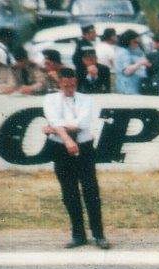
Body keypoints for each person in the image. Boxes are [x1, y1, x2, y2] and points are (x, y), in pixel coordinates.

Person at [42, 68, 110, 250]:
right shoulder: (50, 100)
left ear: (76, 83)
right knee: (69, 192)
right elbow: (54, 119)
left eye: (72, 85)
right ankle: (78, 235)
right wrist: (65, 137)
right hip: (60, 149)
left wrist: (54, 128)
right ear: (60, 83)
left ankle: (98, 235)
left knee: (91, 191)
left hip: (85, 148)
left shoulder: (86, 100)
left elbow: (82, 124)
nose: (70, 88)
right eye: (66, 85)